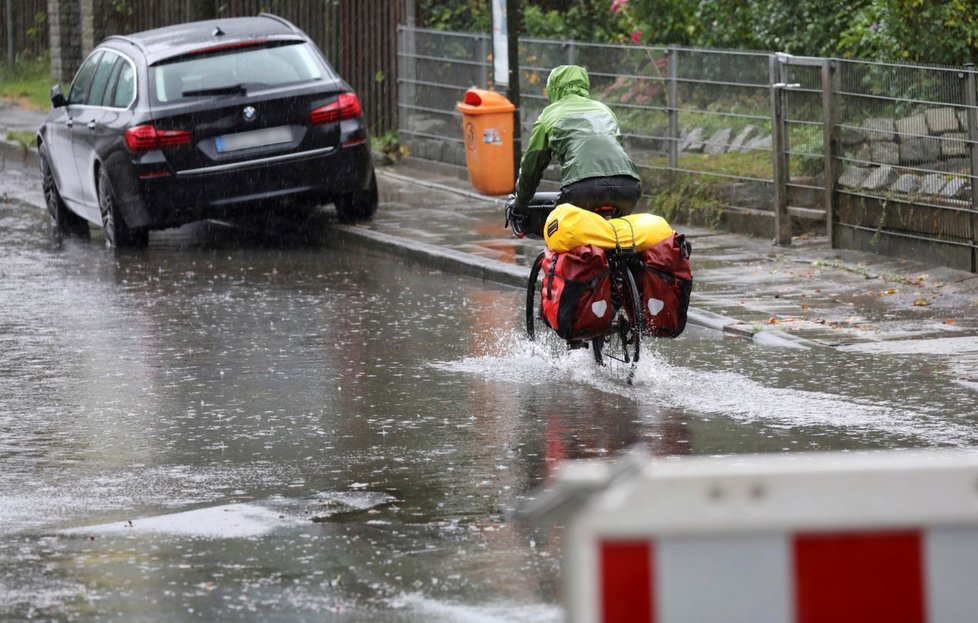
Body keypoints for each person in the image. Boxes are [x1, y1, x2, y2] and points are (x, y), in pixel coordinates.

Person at [510, 64, 642, 223]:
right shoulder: (604, 110)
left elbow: (531, 167)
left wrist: (521, 202)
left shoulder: (548, 115)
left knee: (565, 234)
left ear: (553, 88)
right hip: (628, 186)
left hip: (582, 188)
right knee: (615, 236)